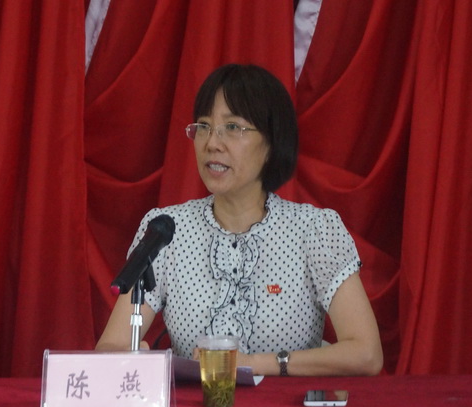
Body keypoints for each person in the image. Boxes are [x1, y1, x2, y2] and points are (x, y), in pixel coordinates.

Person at [96, 64, 383, 376]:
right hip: (197, 406)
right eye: (203, 126)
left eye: (232, 127)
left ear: (272, 143)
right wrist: (130, 358)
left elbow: (366, 354)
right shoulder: (166, 229)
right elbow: (110, 347)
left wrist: (254, 364)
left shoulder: (313, 231)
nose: (212, 143)